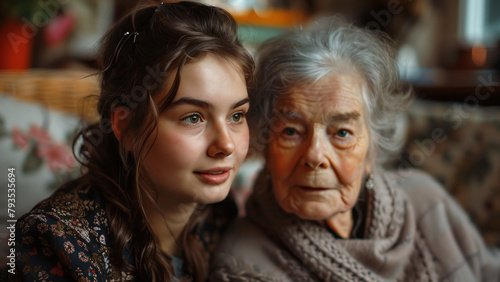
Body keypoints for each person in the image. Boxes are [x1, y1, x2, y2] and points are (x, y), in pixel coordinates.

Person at [211, 19, 500, 281]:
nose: (315, 156)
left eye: (342, 133)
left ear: (372, 149)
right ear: (265, 144)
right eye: (291, 131)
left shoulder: (424, 199)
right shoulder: (244, 265)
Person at [13, 1, 254, 281]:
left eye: (237, 115)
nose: (226, 145)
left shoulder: (220, 217)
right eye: (193, 118)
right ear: (126, 127)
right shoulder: (52, 243)